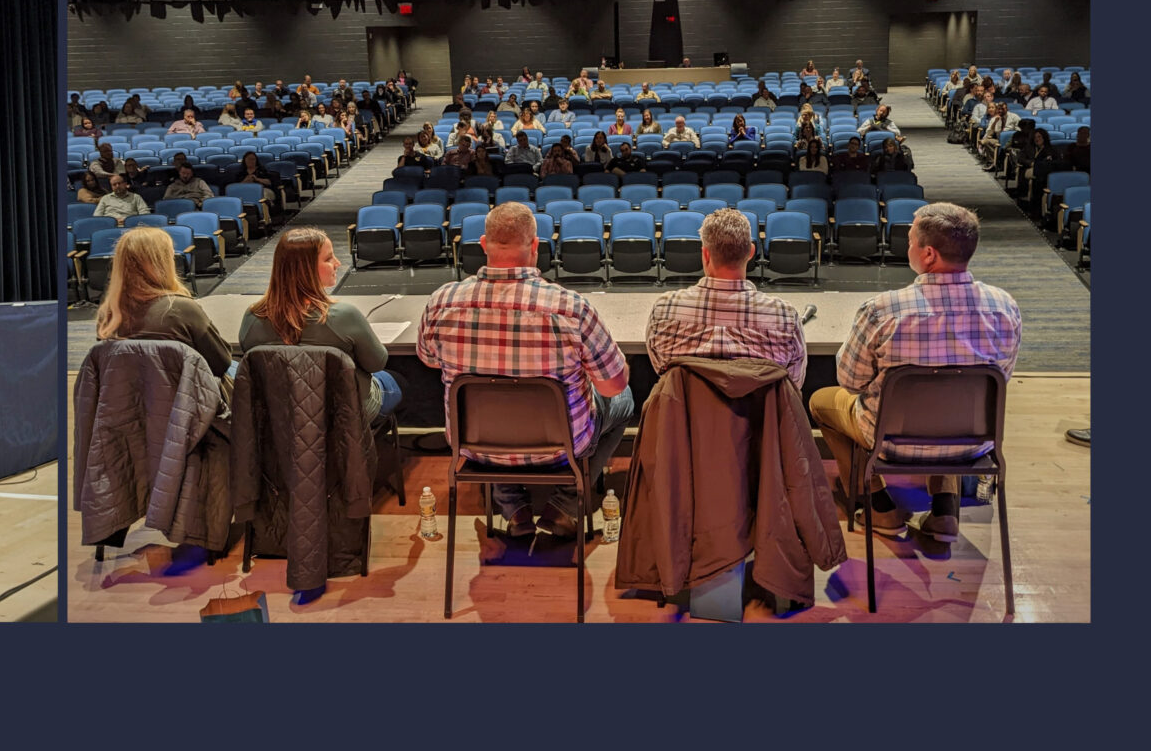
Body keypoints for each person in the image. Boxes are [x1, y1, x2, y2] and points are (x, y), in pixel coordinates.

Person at [417, 202, 634, 538]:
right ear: (536, 246)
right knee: (627, 400)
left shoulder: (441, 302)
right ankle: (563, 504)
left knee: (496, 405)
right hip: (562, 447)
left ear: (482, 245)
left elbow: (428, 359)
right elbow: (613, 387)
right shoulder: (571, 308)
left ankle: (514, 508)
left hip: (473, 445)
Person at [810, 204, 1020, 542]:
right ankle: (945, 512)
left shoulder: (883, 310)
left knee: (821, 401)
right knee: (952, 404)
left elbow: (849, 381)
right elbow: (1002, 379)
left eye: (909, 241)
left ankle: (878, 506)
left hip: (891, 443)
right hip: (973, 445)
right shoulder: (1005, 307)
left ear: (928, 254)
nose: (906, 247)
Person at [239, 227, 401, 423]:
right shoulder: (345, 316)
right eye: (329, 259)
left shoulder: (252, 316)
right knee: (396, 382)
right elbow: (376, 363)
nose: (338, 263)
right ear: (304, 269)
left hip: (280, 416)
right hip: (343, 415)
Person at [646, 208, 807, 388]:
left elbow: (662, 373)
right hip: (760, 416)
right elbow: (792, 387)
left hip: (687, 416)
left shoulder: (664, 310)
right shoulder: (785, 317)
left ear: (705, 254)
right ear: (751, 252)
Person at [96, 226, 231, 400]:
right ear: (163, 262)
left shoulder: (108, 315)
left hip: (130, 412)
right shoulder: (181, 309)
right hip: (187, 411)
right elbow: (221, 363)